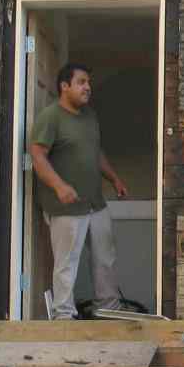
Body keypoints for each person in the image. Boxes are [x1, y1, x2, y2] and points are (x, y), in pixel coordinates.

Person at [28, 62, 129, 318]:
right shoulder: (51, 117)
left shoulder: (89, 116)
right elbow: (38, 156)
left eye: (88, 83)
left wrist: (114, 179)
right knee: (66, 264)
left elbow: (95, 153)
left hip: (95, 203)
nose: (88, 88)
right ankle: (64, 315)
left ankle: (108, 310)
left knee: (105, 260)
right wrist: (59, 186)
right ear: (65, 86)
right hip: (65, 207)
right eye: (81, 82)